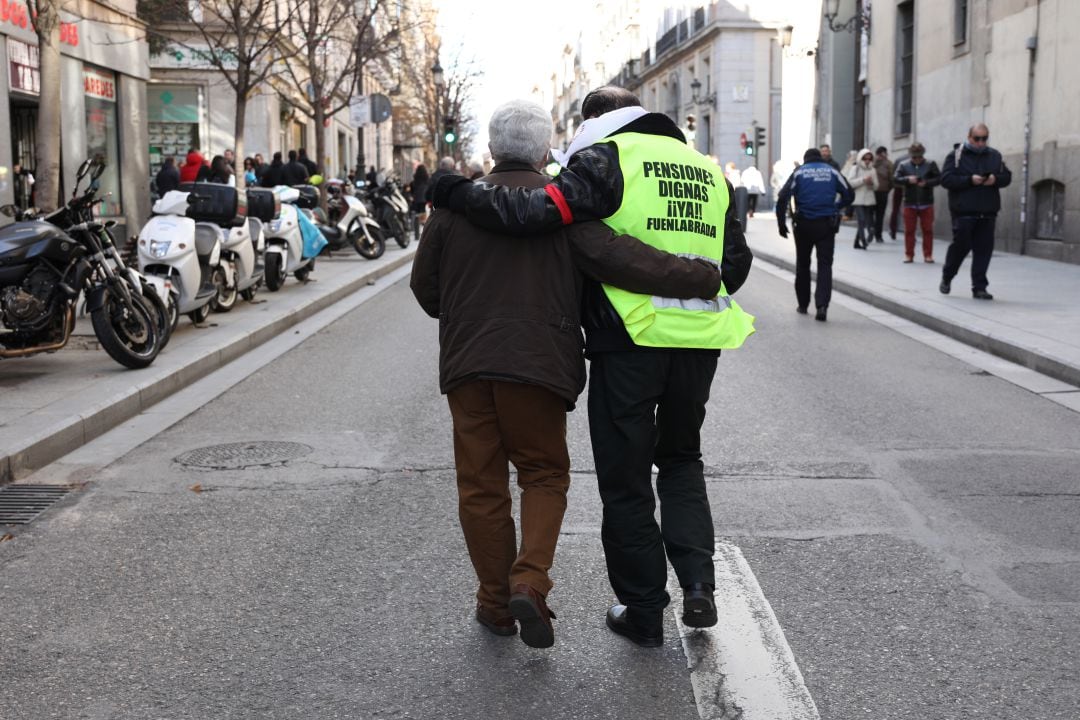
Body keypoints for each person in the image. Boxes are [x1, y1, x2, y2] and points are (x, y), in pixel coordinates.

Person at [435, 85, 755, 648]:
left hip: (627, 339)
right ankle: (699, 585)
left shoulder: (606, 160)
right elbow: (735, 265)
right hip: (702, 340)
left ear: (594, 124)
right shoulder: (707, 171)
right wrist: (694, 281)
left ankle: (644, 611)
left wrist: (457, 192)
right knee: (681, 460)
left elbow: (537, 214)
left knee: (626, 479)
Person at [776, 148, 855, 322]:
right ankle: (822, 306)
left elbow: (782, 197)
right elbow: (850, 194)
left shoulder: (800, 172)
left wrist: (781, 224)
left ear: (805, 159)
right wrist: (836, 206)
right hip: (827, 225)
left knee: (803, 265)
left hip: (803, 224)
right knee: (825, 265)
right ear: (820, 158)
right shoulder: (832, 171)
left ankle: (803, 304)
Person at [939, 123, 1012, 300]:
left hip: (987, 210)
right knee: (960, 247)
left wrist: (994, 179)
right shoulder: (956, 156)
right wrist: (970, 180)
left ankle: (979, 287)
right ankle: (947, 276)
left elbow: (1007, 177)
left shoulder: (994, 155)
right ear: (969, 137)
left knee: (983, 250)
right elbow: (946, 179)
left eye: (984, 138)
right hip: (964, 211)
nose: (981, 142)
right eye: (977, 138)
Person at [893, 142, 941, 263]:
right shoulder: (903, 165)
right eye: (914, 157)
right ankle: (909, 255)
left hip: (926, 202)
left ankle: (928, 255)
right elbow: (895, 178)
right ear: (910, 156)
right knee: (909, 230)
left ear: (923, 155)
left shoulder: (930, 164)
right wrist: (907, 180)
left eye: (919, 157)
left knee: (928, 230)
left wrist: (927, 183)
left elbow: (939, 179)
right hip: (910, 202)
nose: (917, 159)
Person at [846, 148, 879, 250]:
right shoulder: (855, 168)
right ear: (861, 158)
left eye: (869, 159)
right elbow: (850, 183)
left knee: (868, 222)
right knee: (861, 220)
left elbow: (876, 186)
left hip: (869, 200)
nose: (867, 161)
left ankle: (857, 243)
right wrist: (863, 180)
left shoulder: (873, 170)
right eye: (865, 159)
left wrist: (871, 183)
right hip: (858, 199)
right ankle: (863, 241)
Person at [872, 147, 894, 243]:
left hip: (883, 192)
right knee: (870, 214)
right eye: (880, 154)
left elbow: (892, 179)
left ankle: (878, 235)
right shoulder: (872, 162)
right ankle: (871, 232)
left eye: (883, 154)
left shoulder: (889, 164)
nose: (882, 156)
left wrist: (887, 189)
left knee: (880, 215)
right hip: (871, 192)